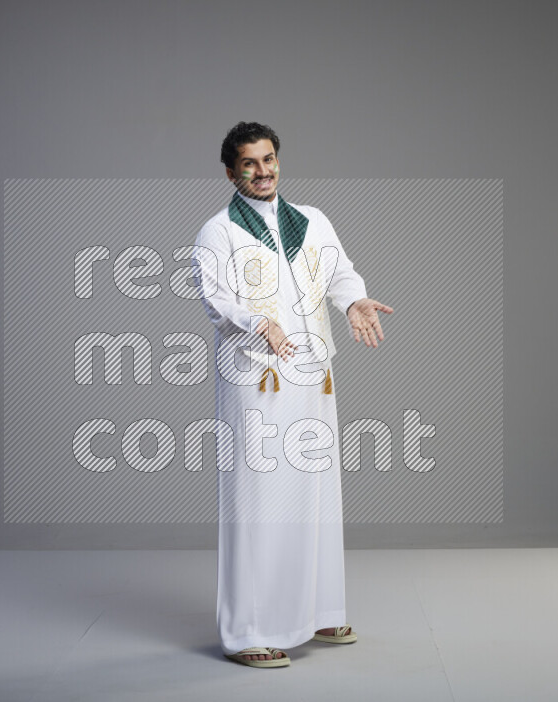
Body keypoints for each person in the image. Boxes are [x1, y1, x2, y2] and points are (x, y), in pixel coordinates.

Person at [192, 121, 393, 668]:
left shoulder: (312, 220)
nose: (264, 171)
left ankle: (318, 612)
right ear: (232, 172)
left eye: (270, 159)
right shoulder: (218, 232)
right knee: (258, 502)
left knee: (316, 496)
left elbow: (340, 273)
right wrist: (260, 322)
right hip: (256, 378)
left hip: (313, 371)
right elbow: (215, 299)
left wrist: (353, 302)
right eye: (250, 164)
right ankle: (249, 630)